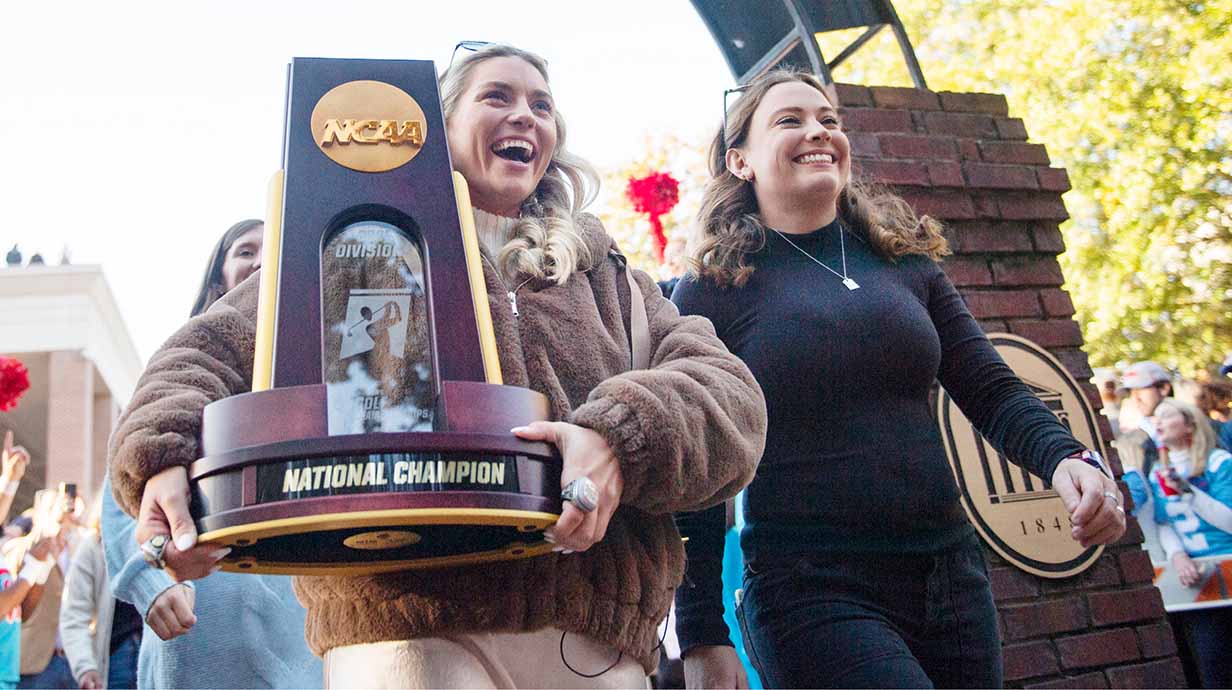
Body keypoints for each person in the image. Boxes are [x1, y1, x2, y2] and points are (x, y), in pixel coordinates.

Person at [108, 44, 766, 689]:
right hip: (399, 622)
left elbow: (728, 396)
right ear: (438, 128)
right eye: (496, 97)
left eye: (541, 105)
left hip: (595, 639)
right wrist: (162, 459)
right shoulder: (345, 246)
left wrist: (618, 442)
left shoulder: (614, 281)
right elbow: (197, 355)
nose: (524, 116)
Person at [671, 69, 1126, 689]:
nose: (819, 132)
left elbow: (990, 388)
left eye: (829, 119)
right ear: (740, 160)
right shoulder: (714, 288)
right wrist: (701, 632)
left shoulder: (903, 261)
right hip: (812, 590)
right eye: (790, 120)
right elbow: (698, 469)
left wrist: (1066, 458)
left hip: (952, 579)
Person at [100, 218, 322, 689]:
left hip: (302, 657)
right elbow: (123, 502)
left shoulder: (316, 379)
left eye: (276, 249)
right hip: (196, 649)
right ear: (217, 276)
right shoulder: (176, 384)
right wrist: (152, 580)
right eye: (245, 251)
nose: (263, 261)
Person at [1126, 398, 1231, 688]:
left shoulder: (1219, 462)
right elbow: (1165, 524)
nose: (1158, 422)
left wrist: (1188, 493)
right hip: (1195, 582)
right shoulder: (1157, 472)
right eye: (1155, 417)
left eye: (1167, 415)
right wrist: (1178, 556)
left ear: (1190, 424)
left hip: (1227, 568)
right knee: (1212, 671)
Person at [60, 494, 139, 689]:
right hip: (119, 655)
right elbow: (74, 614)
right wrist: (85, 666)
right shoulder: (93, 546)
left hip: (164, 652)